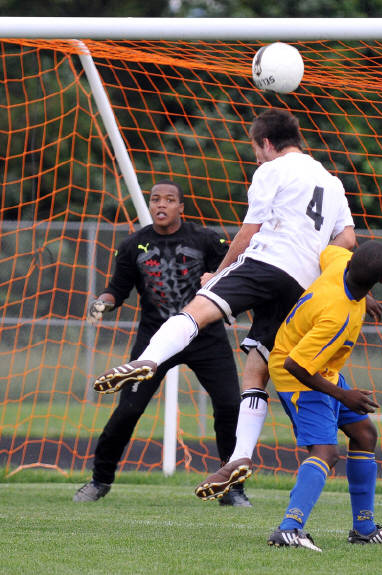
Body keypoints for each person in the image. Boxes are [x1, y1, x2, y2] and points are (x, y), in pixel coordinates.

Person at [91, 108, 358, 501]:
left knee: (197, 310)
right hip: (302, 283)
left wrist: (219, 273)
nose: (257, 157)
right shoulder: (332, 183)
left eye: (256, 150)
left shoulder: (272, 170)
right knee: (257, 368)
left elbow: (249, 233)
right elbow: (347, 241)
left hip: (267, 262)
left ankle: (147, 360)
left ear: (266, 143)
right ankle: (240, 455)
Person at [74, 180, 251, 507]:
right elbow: (116, 290)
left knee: (229, 407)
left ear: (181, 207)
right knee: (128, 410)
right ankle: (100, 480)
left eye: (169, 200)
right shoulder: (133, 244)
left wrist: (220, 282)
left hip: (205, 337)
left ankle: (232, 489)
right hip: (155, 341)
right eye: (155, 199)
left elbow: (235, 272)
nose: (161, 204)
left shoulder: (206, 239)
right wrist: (102, 302)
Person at [267, 240, 382, 552]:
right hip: (297, 376)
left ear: (350, 262)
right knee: (326, 452)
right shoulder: (337, 315)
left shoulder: (340, 261)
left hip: (321, 369)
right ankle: (289, 529)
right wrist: (343, 395)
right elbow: (295, 365)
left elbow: (328, 251)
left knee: (364, 434)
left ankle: (364, 530)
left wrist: (364, 295)